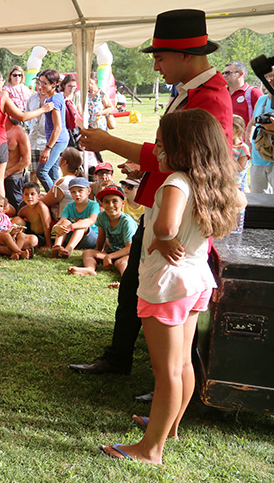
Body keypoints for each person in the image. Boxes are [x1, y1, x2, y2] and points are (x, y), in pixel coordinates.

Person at [71, 9, 233, 377]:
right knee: (134, 289)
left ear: (185, 55)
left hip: (179, 218)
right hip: (166, 208)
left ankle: (170, 385)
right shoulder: (194, 91)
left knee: (171, 298)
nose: (157, 66)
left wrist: (111, 142)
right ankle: (126, 361)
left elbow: (198, 161)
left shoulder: (211, 97)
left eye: (160, 57)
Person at [100, 109, 240, 463]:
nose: (157, 151)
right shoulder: (213, 180)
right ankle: (170, 425)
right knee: (183, 365)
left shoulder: (177, 180)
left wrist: (161, 238)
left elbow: (165, 226)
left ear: (183, 147)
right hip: (195, 280)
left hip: (166, 285)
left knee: (165, 373)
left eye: (161, 145)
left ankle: (150, 448)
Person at [0, 69, 51, 198]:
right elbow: (22, 117)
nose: (2, 84)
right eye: (1, 81)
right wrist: (42, 110)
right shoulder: (2, 99)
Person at [68, 185, 137, 279]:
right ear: (102, 204)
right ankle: (89, 269)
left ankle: (125, 280)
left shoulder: (127, 222)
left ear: (123, 203)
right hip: (112, 252)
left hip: (128, 254)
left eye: (115, 201)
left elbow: (130, 248)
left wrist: (109, 257)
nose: (110, 205)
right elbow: (101, 237)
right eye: (106, 202)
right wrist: (98, 253)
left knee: (121, 262)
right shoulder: (102, 216)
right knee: (88, 253)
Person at [34, 70, 69, 192]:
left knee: (41, 171)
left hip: (57, 141)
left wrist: (48, 148)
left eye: (45, 83)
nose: (41, 85)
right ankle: (59, 202)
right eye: (40, 82)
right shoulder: (53, 97)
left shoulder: (54, 100)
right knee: (54, 174)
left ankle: (54, 197)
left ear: (54, 84)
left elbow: (58, 127)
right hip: (56, 140)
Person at [50, 177, 99, 258]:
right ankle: (56, 247)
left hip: (90, 238)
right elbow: (62, 220)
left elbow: (91, 220)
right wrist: (57, 227)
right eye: (73, 192)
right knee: (65, 222)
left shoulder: (94, 205)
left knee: (82, 226)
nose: (77, 194)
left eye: (80, 191)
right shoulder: (69, 206)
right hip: (73, 236)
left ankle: (68, 250)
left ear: (89, 191)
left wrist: (71, 227)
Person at [248, 67, 274, 193]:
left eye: (273, 75)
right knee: (258, 202)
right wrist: (249, 141)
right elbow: (252, 123)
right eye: (267, 76)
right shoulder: (262, 100)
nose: (270, 79)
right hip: (258, 159)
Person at [223, 60, 263, 125]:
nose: (224, 75)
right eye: (223, 73)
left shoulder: (253, 92)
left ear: (241, 74)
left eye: (228, 73)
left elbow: (262, 116)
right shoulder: (222, 94)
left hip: (247, 134)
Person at [16, 182, 51, 250]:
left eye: (32, 194)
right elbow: (17, 224)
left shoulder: (41, 207)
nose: (29, 197)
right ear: (23, 196)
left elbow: (46, 226)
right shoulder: (23, 210)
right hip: (29, 232)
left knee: (32, 240)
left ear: (39, 196)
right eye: (26, 194)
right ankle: (14, 241)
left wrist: (48, 244)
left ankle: (17, 246)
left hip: (40, 236)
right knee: (17, 219)